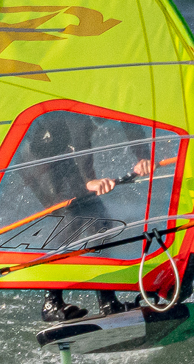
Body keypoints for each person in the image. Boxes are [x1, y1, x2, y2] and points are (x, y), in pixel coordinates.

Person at [15, 114, 154, 322]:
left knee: (101, 223)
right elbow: (79, 135)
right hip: (38, 158)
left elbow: (129, 119)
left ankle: (108, 302)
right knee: (75, 218)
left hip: (63, 154)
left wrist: (143, 157)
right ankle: (51, 303)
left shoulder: (118, 98)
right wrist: (88, 180)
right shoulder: (87, 105)